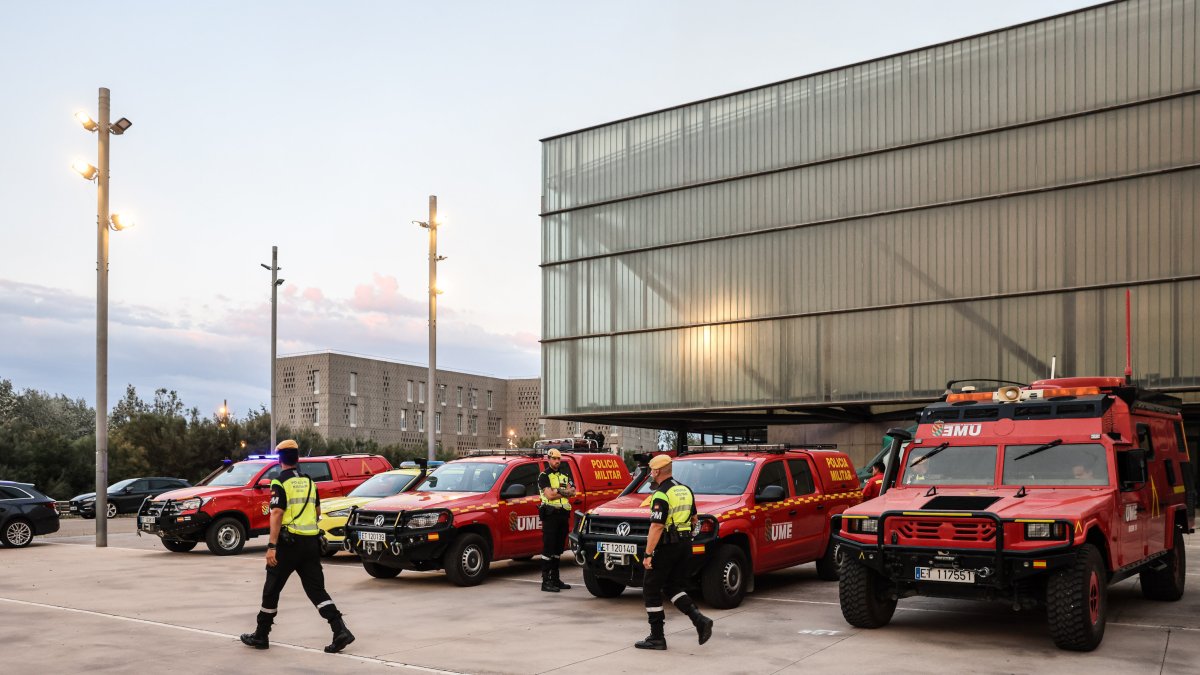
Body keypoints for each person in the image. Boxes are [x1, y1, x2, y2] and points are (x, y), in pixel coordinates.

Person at [240, 440, 354, 653]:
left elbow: (276, 513)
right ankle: (340, 629)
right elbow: (318, 512)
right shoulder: (310, 482)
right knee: (316, 590)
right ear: (297, 458)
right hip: (311, 544)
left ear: (280, 459)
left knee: (272, 588)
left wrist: (272, 546)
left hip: (288, 544)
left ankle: (261, 635)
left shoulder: (279, 482)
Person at [637, 454, 713, 650]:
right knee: (672, 586)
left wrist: (647, 554)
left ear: (657, 471)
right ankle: (699, 620)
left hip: (666, 547)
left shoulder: (661, 493)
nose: (651, 474)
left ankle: (657, 637)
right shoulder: (685, 490)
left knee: (651, 588)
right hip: (685, 545)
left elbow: (656, 526)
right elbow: (695, 519)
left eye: (652, 471)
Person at [537, 448, 575, 592]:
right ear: (549, 459)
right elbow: (549, 496)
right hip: (550, 515)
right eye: (554, 459)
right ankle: (546, 581)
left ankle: (555, 579)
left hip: (563, 515)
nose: (557, 461)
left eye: (559, 459)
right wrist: (562, 492)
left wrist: (557, 491)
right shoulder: (544, 476)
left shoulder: (565, 475)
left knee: (558, 549)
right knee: (548, 548)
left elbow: (573, 492)